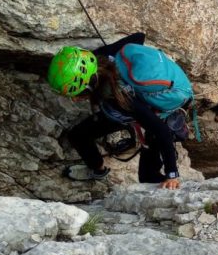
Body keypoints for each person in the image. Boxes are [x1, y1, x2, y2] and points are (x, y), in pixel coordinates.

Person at [47, 33, 191, 190]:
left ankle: (166, 184)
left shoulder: (120, 100)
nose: (74, 99)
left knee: (147, 176)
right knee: (78, 135)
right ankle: (98, 170)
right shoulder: (100, 56)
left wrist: (172, 174)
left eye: (76, 94)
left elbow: (161, 131)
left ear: (89, 85)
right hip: (134, 99)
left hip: (157, 105)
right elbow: (139, 37)